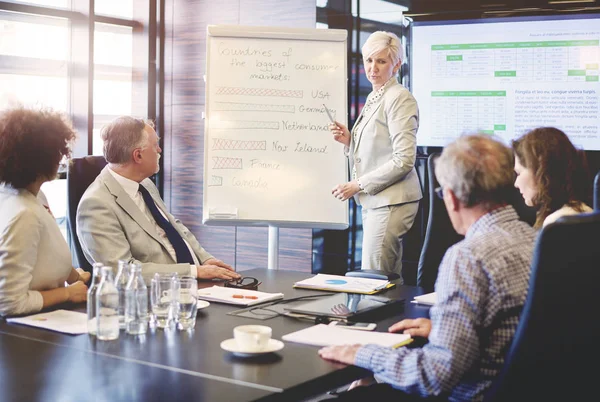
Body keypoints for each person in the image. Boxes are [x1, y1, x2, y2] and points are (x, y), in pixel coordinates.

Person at [319, 134, 537, 402]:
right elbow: (507, 332)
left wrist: (363, 353)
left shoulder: (468, 258)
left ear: (452, 198)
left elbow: (434, 376)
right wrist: (444, 330)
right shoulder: (535, 240)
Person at [76, 116, 240, 282]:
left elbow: (174, 225)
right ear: (138, 156)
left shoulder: (145, 184)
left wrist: (204, 259)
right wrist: (194, 271)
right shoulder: (96, 204)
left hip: (189, 284)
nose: (160, 150)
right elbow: (122, 271)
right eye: (155, 145)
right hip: (151, 296)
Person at [328, 31, 422, 282]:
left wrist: (357, 184)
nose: (373, 68)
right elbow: (380, 147)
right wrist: (350, 140)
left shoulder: (399, 97)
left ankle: (378, 322)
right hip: (376, 199)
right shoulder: (375, 95)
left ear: (396, 65)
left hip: (392, 200)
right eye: (369, 60)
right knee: (384, 273)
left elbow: (403, 159)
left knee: (375, 277)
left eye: (381, 61)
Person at [0, 107, 89, 316]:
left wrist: (75, 277)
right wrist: (67, 293)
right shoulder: (24, 214)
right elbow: (8, 303)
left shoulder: (32, 196)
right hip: (25, 337)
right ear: (42, 157)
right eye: (59, 150)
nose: (62, 157)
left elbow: (43, 252)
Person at [512, 127, 592, 228]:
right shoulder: (585, 211)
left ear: (540, 171)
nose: (516, 184)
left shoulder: (557, 223)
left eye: (519, 173)